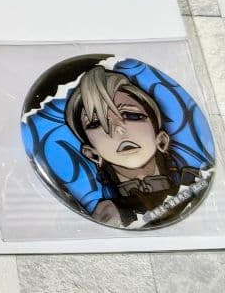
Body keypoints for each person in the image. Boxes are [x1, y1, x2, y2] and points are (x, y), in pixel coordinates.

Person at [64, 66, 201, 227]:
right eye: (97, 123)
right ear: (92, 154)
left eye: (132, 115)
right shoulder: (108, 214)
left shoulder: (196, 181)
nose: (118, 129)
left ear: (162, 140)